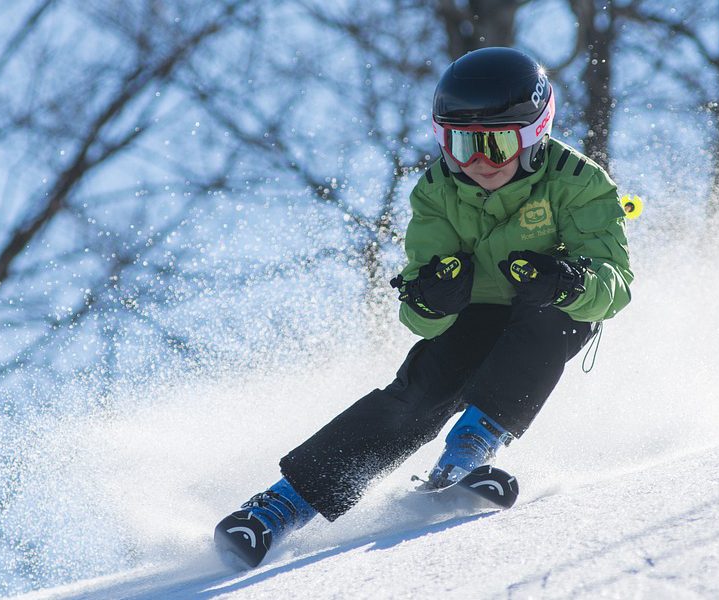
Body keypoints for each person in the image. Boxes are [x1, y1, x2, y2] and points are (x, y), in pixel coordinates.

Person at [214, 46, 633, 567]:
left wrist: (567, 282)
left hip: (546, 309)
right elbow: (416, 313)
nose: (477, 162)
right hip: (474, 314)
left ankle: (466, 455)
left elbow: (615, 286)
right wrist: (432, 297)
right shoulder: (436, 190)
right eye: (461, 144)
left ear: (533, 136)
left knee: (557, 320)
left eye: (497, 144)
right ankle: (279, 507)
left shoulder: (579, 181)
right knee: (420, 392)